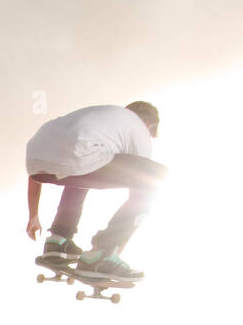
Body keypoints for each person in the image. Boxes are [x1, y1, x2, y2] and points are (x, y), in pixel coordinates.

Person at [24, 102, 167, 281]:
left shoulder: (104, 120)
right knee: (156, 176)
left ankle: (59, 241)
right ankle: (104, 253)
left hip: (37, 159)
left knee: (82, 171)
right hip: (78, 158)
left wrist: (33, 216)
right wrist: (114, 249)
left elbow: (35, 173)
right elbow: (142, 185)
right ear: (150, 126)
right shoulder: (138, 127)